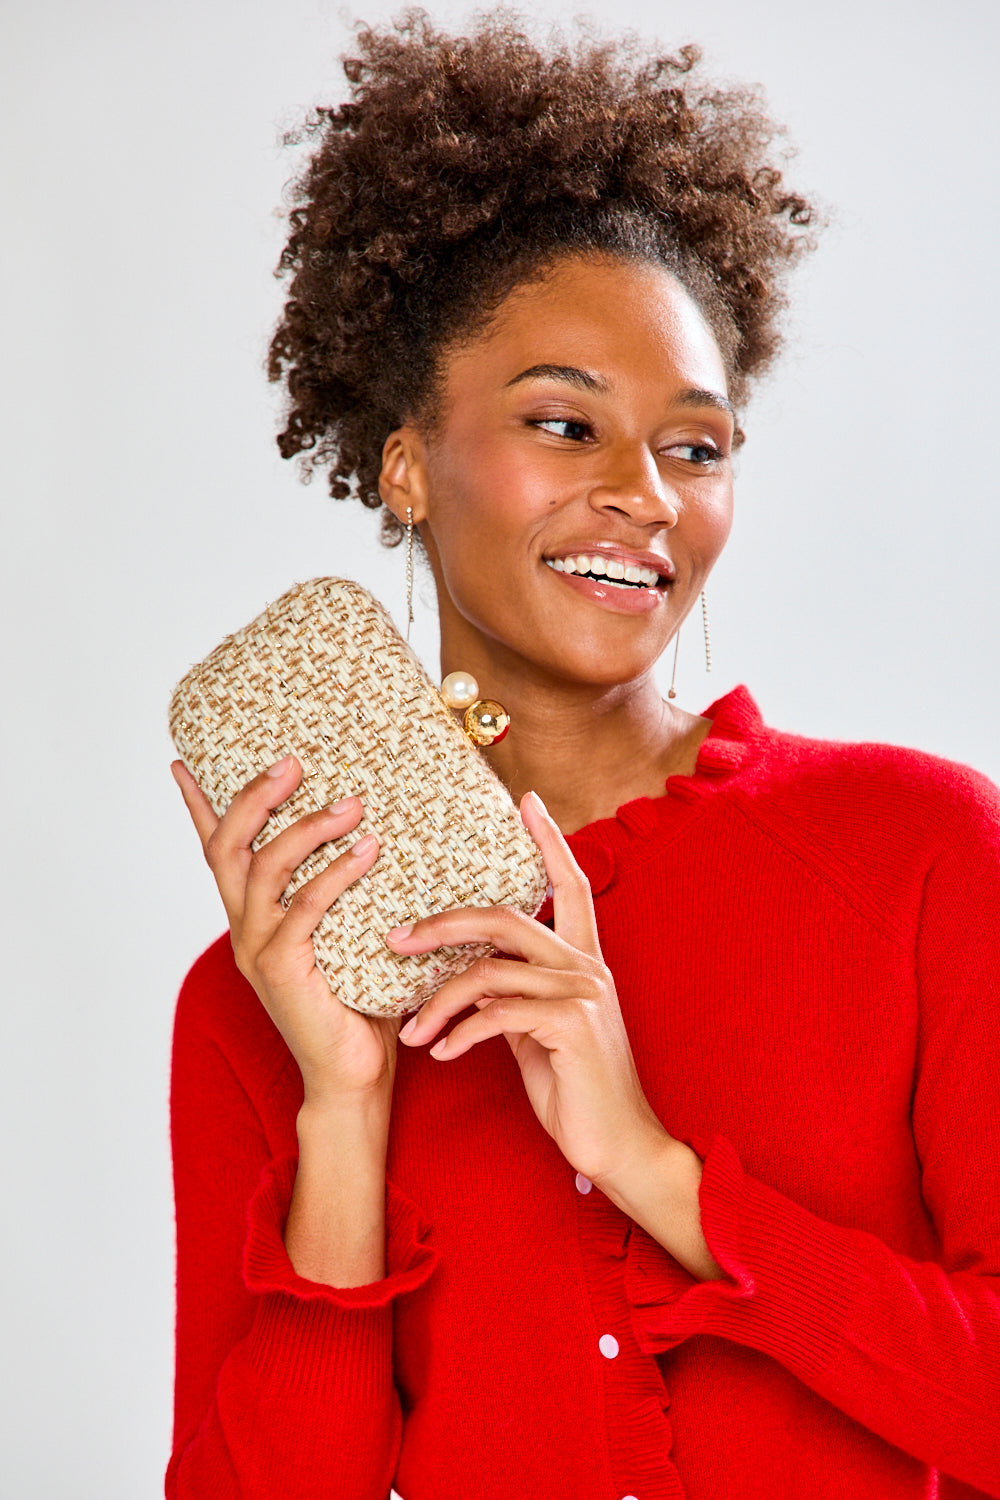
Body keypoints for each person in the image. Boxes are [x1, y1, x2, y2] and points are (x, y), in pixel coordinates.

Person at [165, 12, 1000, 1498]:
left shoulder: (921, 851)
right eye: (566, 424)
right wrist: (345, 1111)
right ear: (408, 462)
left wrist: (659, 1172)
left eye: (697, 447)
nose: (646, 498)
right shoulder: (259, 994)